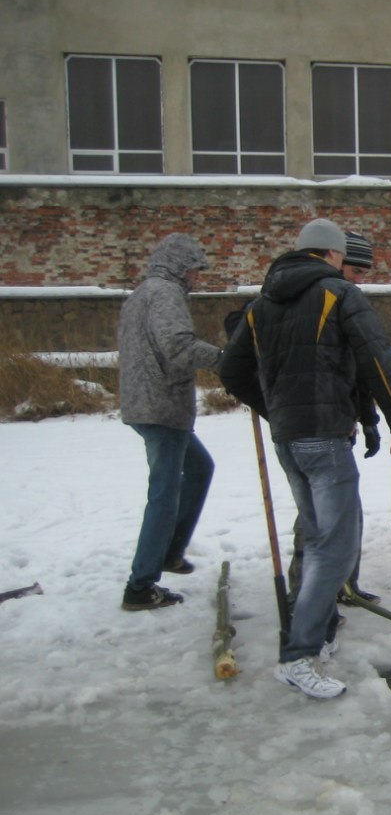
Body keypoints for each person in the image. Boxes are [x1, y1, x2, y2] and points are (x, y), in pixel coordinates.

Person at [219, 218, 391, 700]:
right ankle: (298, 655)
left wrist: (278, 409)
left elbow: (232, 370)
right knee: (336, 547)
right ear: (333, 253)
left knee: (315, 539)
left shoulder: (262, 303)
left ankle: (321, 631)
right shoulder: (338, 293)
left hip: (289, 440)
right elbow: (377, 360)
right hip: (325, 439)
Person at [118, 233, 222, 612]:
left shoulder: (141, 294)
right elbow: (178, 347)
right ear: (180, 267)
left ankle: (170, 551)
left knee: (199, 468)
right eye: (194, 270)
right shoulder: (165, 294)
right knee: (164, 494)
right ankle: (140, 586)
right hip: (161, 406)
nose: (197, 278)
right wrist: (226, 359)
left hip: (145, 403)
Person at [284, 230, 382, 608]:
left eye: (363, 274)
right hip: (311, 429)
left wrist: (368, 419)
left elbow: (359, 369)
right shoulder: (304, 302)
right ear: (336, 262)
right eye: (354, 271)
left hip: (340, 424)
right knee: (317, 518)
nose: (358, 280)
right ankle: (304, 599)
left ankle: (344, 585)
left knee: (346, 513)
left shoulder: (344, 304)